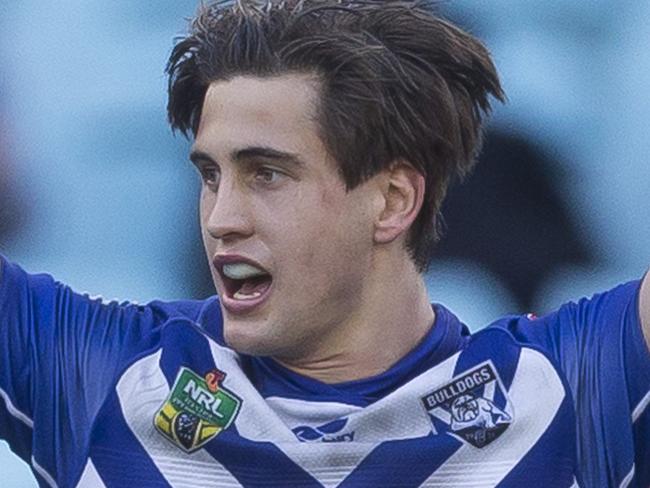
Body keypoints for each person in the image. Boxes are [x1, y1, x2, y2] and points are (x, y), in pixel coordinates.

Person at [0, 0, 648, 486]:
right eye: (209, 175)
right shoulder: (94, 374)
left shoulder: (568, 388)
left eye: (268, 174)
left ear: (393, 201)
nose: (221, 217)